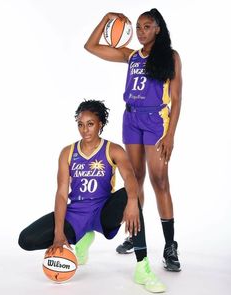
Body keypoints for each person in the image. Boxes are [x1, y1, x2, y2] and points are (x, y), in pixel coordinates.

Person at [18, 100, 166, 293]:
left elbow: (131, 177)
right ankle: (83, 237)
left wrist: (131, 202)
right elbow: (62, 193)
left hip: (103, 211)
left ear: (100, 125)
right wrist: (59, 233)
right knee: (26, 240)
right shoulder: (67, 153)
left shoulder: (113, 149)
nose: (85, 129)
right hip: (76, 214)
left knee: (131, 195)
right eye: (80, 124)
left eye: (90, 124)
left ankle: (142, 267)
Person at [84, 9, 182, 272]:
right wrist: (106, 19)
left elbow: (177, 97)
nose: (140, 32)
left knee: (159, 180)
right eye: (138, 27)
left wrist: (170, 134)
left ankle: (170, 245)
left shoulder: (170, 57)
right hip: (131, 119)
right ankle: (135, 235)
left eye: (146, 27)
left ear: (158, 29)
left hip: (155, 122)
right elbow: (90, 46)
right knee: (135, 178)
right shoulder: (131, 56)